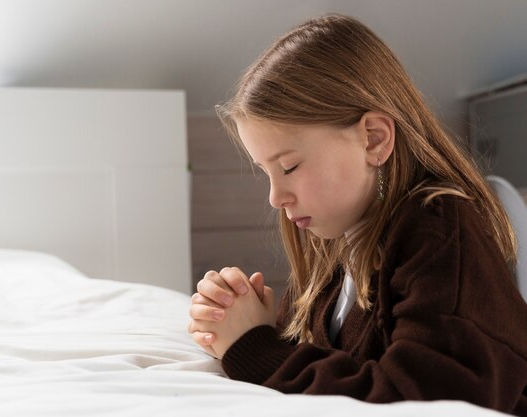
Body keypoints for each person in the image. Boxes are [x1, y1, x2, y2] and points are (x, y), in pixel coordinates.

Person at [187, 14, 527, 415]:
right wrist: (240, 318)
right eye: (266, 173)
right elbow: (326, 366)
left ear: (374, 139)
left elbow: (428, 402)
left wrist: (253, 346)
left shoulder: (438, 230)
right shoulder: (335, 239)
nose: (276, 197)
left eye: (290, 167)